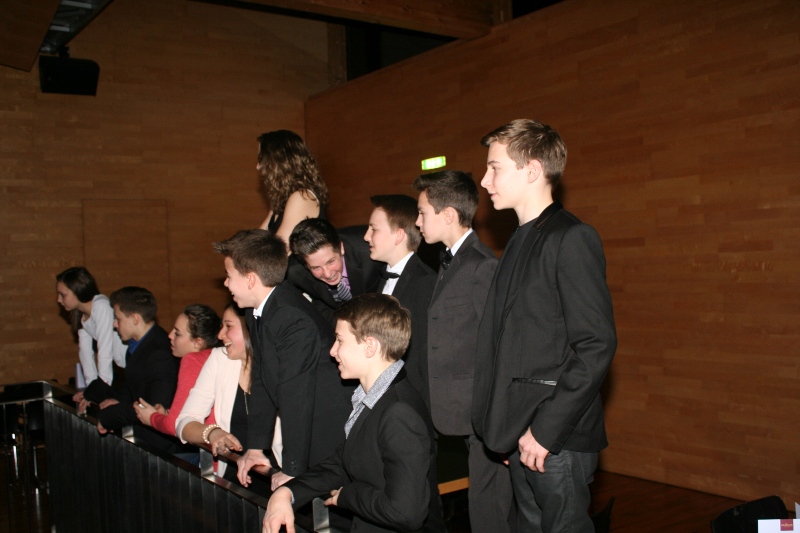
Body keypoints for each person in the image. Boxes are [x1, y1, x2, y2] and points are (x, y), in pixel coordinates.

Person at [472, 119, 617, 533]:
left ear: (532, 170)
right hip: (522, 433)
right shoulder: (520, 238)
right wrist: (505, 429)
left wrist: (544, 432)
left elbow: (596, 345)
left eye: (495, 168)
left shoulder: (571, 237)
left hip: (555, 438)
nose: (485, 180)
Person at [264, 294, 441, 533]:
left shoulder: (399, 412)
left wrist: (347, 496)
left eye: (339, 340)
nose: (332, 351)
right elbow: (344, 462)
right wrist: (288, 492)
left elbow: (405, 512)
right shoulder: (375, 398)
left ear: (370, 346)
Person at [212, 229, 353, 492]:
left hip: (327, 430)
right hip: (308, 425)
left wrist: (292, 469)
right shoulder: (257, 308)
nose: (226, 284)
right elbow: (262, 377)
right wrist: (256, 446)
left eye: (229, 276)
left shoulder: (290, 316)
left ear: (250, 279)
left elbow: (295, 395)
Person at [413, 170, 513, 533]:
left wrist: (500, 420)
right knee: (483, 506)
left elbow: (500, 346)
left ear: (449, 215)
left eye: (422, 213)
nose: (417, 221)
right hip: (464, 412)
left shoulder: (481, 265)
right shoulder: (451, 260)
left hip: (483, 413)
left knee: (490, 510)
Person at [175, 303, 282, 482]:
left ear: (250, 328)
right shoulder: (220, 359)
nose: (220, 335)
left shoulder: (283, 362)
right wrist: (212, 432)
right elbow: (184, 422)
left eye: (228, 326)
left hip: (280, 475)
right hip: (234, 473)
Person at [364, 194, 436, 409]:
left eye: (374, 229)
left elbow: (424, 356)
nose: (366, 236)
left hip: (409, 402)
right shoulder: (378, 278)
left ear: (398, 235)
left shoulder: (426, 282)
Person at [82, 287, 178, 439]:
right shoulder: (138, 344)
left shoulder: (159, 353)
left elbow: (153, 407)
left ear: (135, 319)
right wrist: (119, 400)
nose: (114, 324)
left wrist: (109, 417)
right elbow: (135, 385)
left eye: (118, 318)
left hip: (161, 442)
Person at [134, 304, 222, 445]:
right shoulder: (219, 356)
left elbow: (173, 426)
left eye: (177, 333)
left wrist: (151, 418)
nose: (169, 336)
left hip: (212, 452)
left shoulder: (192, 360)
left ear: (198, 342)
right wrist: (166, 415)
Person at [287, 218, 383, 325]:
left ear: (341, 248)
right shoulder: (294, 272)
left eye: (330, 262)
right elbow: (318, 302)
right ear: (305, 265)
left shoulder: (370, 253)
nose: (327, 274)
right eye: (316, 268)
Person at [55, 267, 126, 403]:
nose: (59, 299)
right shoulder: (81, 314)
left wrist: (100, 390)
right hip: (125, 364)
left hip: (138, 360)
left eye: (62, 295)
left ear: (78, 290)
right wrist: (90, 388)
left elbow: (104, 351)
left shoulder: (101, 306)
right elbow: (85, 353)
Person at [256, 130, 329, 243]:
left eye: (261, 159)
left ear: (277, 161)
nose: (258, 166)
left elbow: (279, 250)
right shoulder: (280, 203)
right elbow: (254, 243)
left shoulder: (301, 198)